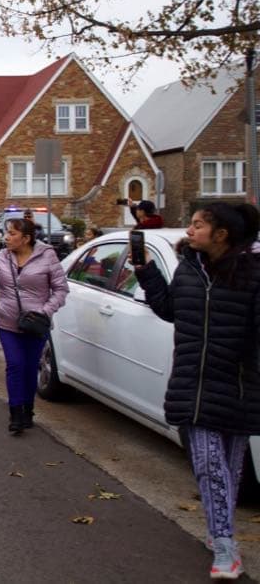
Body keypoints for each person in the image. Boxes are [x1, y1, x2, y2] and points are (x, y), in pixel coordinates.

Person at [134, 202, 260, 580]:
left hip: (237, 385)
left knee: (229, 469)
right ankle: (225, 546)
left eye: (198, 225)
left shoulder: (253, 275)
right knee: (208, 466)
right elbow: (171, 309)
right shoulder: (188, 268)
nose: (189, 231)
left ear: (221, 235)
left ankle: (218, 530)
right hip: (192, 382)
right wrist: (146, 271)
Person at [0, 217, 68, 434]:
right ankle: (16, 412)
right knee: (15, 365)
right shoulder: (2, 256)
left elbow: (61, 290)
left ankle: (28, 408)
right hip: (7, 322)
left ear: (26, 238)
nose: (6, 237)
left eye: (12, 234)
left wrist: (44, 311)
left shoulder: (47, 256)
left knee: (30, 368)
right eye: (6, 233)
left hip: (37, 324)